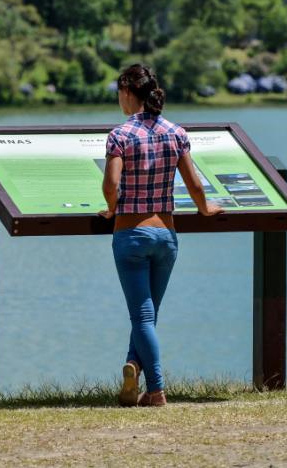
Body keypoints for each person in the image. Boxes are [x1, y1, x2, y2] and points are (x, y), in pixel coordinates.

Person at [99, 64, 223, 407]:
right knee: (148, 315)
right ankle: (133, 366)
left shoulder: (120, 135)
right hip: (166, 236)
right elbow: (195, 184)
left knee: (141, 316)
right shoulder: (176, 132)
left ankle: (156, 391)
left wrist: (111, 209)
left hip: (131, 235)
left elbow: (111, 185)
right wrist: (205, 209)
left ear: (127, 91)